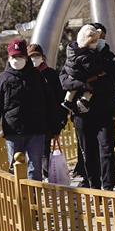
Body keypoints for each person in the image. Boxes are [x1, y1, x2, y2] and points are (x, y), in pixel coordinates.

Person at [61, 24, 115, 190]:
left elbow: (113, 80)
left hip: (104, 111)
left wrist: (93, 86)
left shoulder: (107, 56)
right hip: (81, 114)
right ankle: (94, 186)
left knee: (107, 149)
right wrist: (85, 84)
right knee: (88, 151)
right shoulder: (73, 56)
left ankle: (108, 188)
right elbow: (64, 81)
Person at [0, 38, 52, 181]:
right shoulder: (3, 79)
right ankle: (18, 193)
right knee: (15, 167)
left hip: (36, 130)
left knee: (35, 167)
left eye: (20, 56)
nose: (17, 60)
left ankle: (33, 194)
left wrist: (53, 126)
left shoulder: (37, 77)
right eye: (14, 57)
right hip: (13, 132)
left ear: (26, 57)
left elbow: (49, 102)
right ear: (9, 58)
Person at [27, 43, 68, 179]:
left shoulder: (51, 74)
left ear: (42, 57)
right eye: (31, 56)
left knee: (45, 153)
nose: (34, 58)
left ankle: (47, 179)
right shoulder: (24, 75)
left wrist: (60, 121)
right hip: (29, 123)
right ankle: (34, 182)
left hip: (47, 122)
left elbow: (59, 98)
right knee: (31, 156)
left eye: (37, 55)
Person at [61, 24, 106, 114]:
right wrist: (99, 72)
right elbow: (91, 68)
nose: (96, 43)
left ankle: (68, 100)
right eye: (94, 41)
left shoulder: (73, 50)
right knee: (91, 87)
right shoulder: (86, 55)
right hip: (82, 76)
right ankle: (84, 101)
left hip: (72, 75)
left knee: (72, 88)